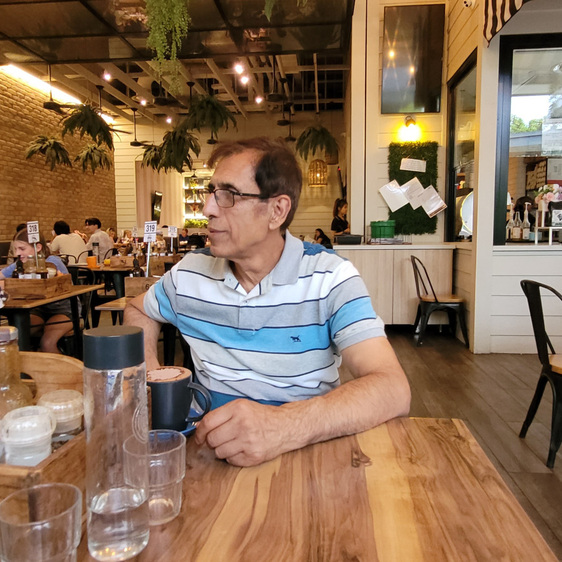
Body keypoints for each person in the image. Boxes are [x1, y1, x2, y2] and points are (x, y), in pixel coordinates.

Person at [124, 137, 410, 467]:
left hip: (305, 458)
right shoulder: (190, 273)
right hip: (206, 457)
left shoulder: (329, 277)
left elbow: (392, 388)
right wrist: (150, 376)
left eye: (228, 195)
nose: (207, 209)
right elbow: (137, 309)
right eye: (211, 191)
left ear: (277, 211)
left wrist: (283, 427)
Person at [0, 229, 73, 353]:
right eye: (15, 249)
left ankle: (61, 365)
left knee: (47, 343)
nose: (17, 253)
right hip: (38, 309)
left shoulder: (52, 261)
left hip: (64, 309)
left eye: (22, 249)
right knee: (18, 335)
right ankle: (27, 363)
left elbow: (48, 275)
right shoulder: (21, 263)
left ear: (38, 247)